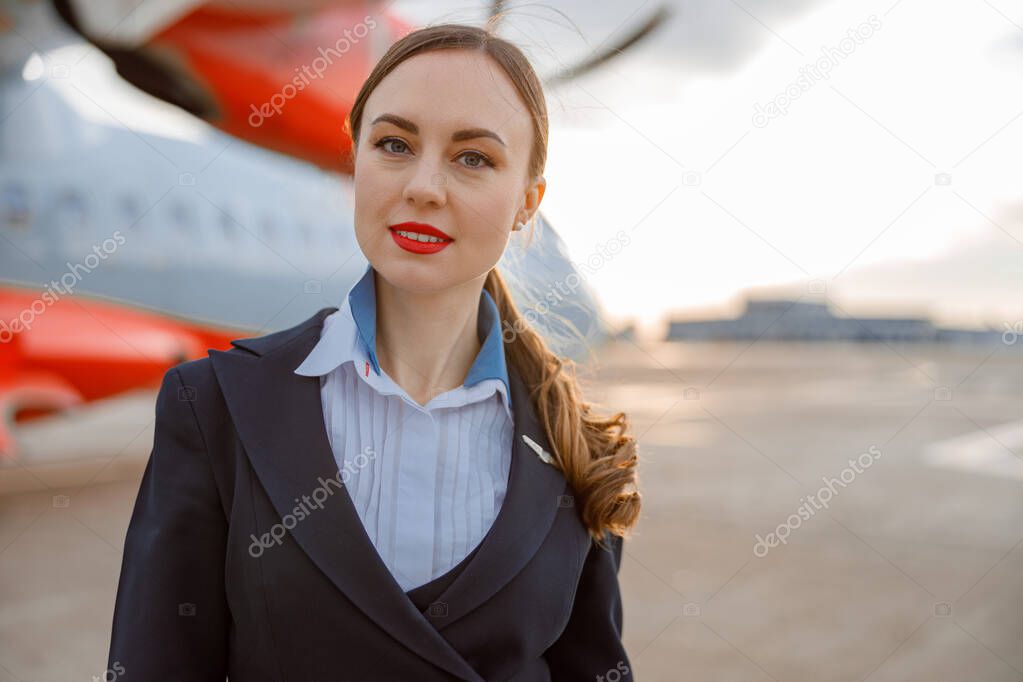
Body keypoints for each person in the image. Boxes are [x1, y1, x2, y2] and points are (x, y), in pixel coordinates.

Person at [106, 21, 641, 681]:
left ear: (526, 203)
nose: (422, 186)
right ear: (353, 161)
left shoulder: (579, 447)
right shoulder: (213, 405)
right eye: (393, 144)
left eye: (473, 157)